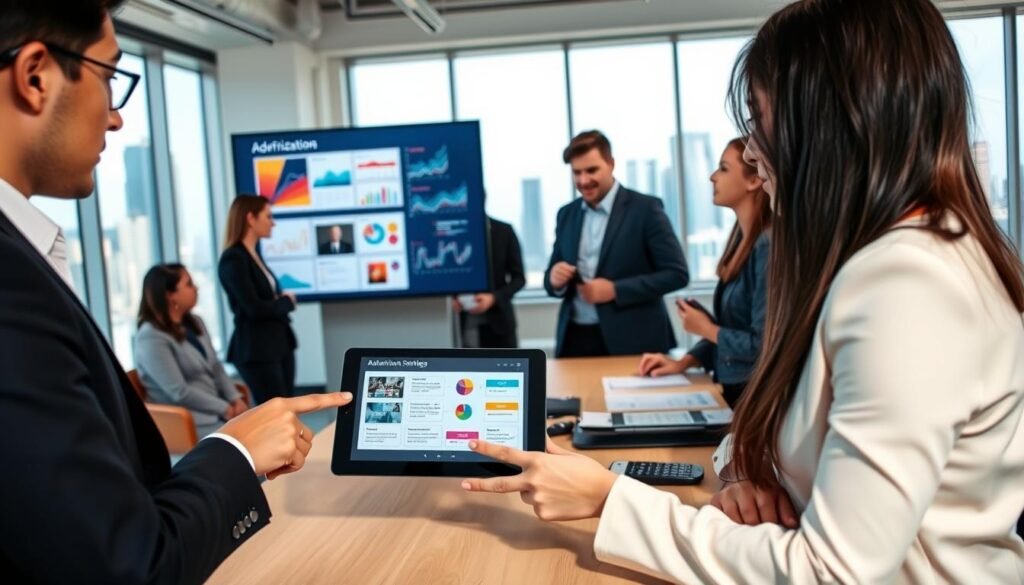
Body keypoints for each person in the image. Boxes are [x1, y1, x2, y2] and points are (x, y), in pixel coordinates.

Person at [461, 1, 1024, 583]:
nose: (752, 151)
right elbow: (789, 426)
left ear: (829, 122)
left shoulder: (909, 288)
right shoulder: (869, 265)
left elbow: (831, 572)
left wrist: (611, 498)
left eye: (759, 119)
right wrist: (749, 468)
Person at [0, 2, 351, 582]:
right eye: (108, 77)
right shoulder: (12, 281)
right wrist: (236, 450)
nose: (116, 118)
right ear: (35, 76)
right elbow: (129, 563)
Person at [638, 138, 771, 407]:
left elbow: (762, 345)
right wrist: (684, 362)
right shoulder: (740, 240)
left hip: (753, 396)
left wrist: (706, 328)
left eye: (723, 168)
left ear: (754, 180)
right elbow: (731, 328)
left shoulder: (767, 246)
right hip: (733, 389)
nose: (713, 177)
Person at [545, 130, 689, 358]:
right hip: (575, 339)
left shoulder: (646, 209)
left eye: (591, 170)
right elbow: (551, 278)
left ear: (611, 164)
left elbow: (677, 274)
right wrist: (555, 279)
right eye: (577, 172)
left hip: (634, 340)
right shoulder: (566, 214)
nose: (583, 180)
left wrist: (614, 290)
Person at [134, 263, 250, 437]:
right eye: (189, 284)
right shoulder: (150, 337)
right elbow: (179, 392)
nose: (196, 288)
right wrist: (225, 408)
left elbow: (216, 366)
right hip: (188, 421)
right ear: (170, 296)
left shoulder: (195, 322)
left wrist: (235, 398)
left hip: (219, 410)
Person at [218, 195, 298, 404]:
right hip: (258, 349)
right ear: (250, 218)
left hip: (277, 344)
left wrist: (279, 302)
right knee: (274, 411)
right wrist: (286, 302)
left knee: (287, 408)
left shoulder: (253, 254)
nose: (273, 223)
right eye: (268, 216)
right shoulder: (234, 258)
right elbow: (253, 308)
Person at [454, 216, 526, 348]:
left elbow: (519, 279)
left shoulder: (504, 230)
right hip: (461, 321)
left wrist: (494, 298)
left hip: (499, 323)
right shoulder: (451, 230)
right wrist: (450, 300)